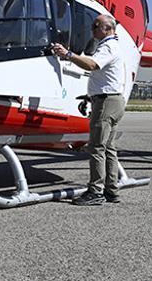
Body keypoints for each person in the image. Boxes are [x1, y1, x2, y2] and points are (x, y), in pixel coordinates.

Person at [51, 14, 126, 205]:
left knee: (96, 147)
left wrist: (68, 54)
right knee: (108, 148)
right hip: (112, 100)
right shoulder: (111, 46)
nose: (92, 29)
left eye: (96, 25)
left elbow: (92, 65)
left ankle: (96, 192)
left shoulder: (108, 47)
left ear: (108, 29)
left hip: (106, 102)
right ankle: (111, 190)